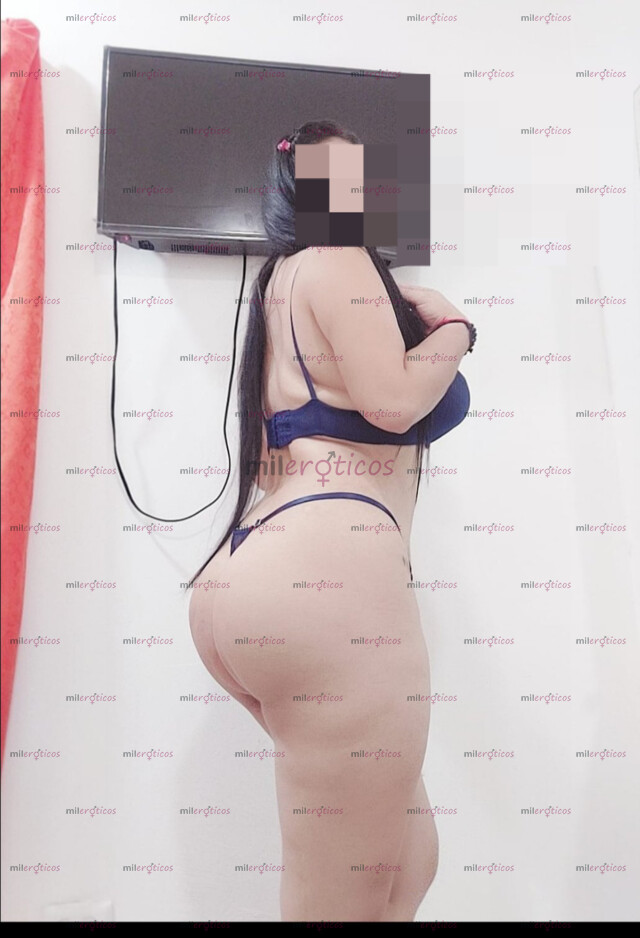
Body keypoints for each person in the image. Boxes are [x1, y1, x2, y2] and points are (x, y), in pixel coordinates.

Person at [187, 120, 474, 922]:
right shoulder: (339, 260)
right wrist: (457, 331)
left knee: (407, 865)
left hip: (258, 571)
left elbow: (297, 439)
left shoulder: (282, 281)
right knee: (339, 901)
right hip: (330, 584)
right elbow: (393, 401)